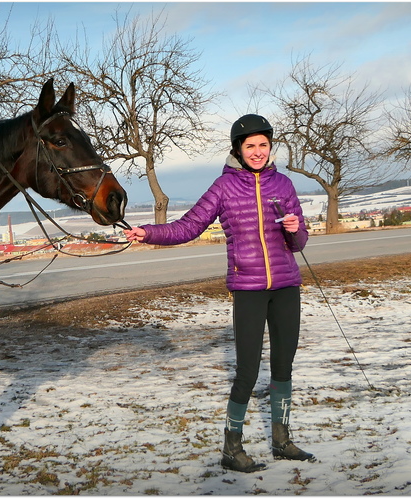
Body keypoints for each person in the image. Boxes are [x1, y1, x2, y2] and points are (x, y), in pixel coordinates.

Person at [124, 114, 316, 472]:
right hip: (248, 289)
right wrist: (148, 233)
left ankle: (282, 440)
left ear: (270, 147)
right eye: (250, 146)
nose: (257, 152)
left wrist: (295, 228)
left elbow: (299, 241)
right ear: (238, 150)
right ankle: (232, 449)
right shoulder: (223, 188)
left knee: (283, 365)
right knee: (246, 370)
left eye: (263, 145)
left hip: (287, 286)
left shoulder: (285, 185)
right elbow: (189, 226)